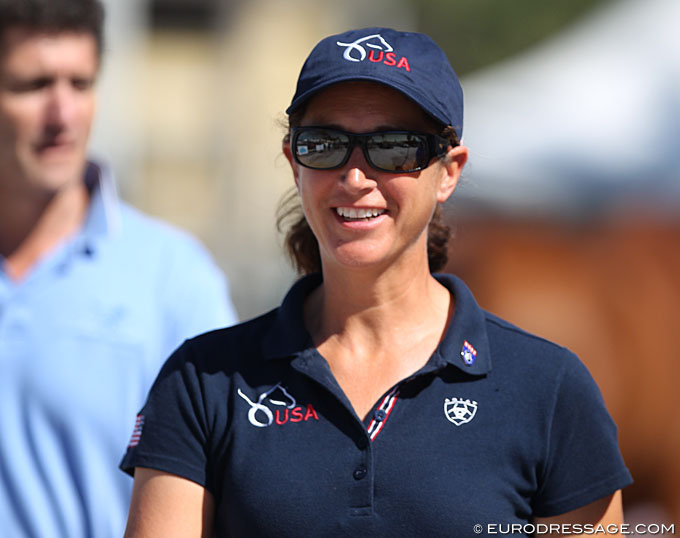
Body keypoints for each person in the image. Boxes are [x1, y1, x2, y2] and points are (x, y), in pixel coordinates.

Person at [121, 27, 632, 537]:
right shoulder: (201, 380)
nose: (355, 178)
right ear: (294, 164)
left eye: (394, 148)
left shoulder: (549, 388)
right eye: (325, 145)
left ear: (449, 172)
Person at [0, 1, 238, 537]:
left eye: (80, 84)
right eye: (34, 86)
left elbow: (227, 488)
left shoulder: (173, 277)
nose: (62, 114)